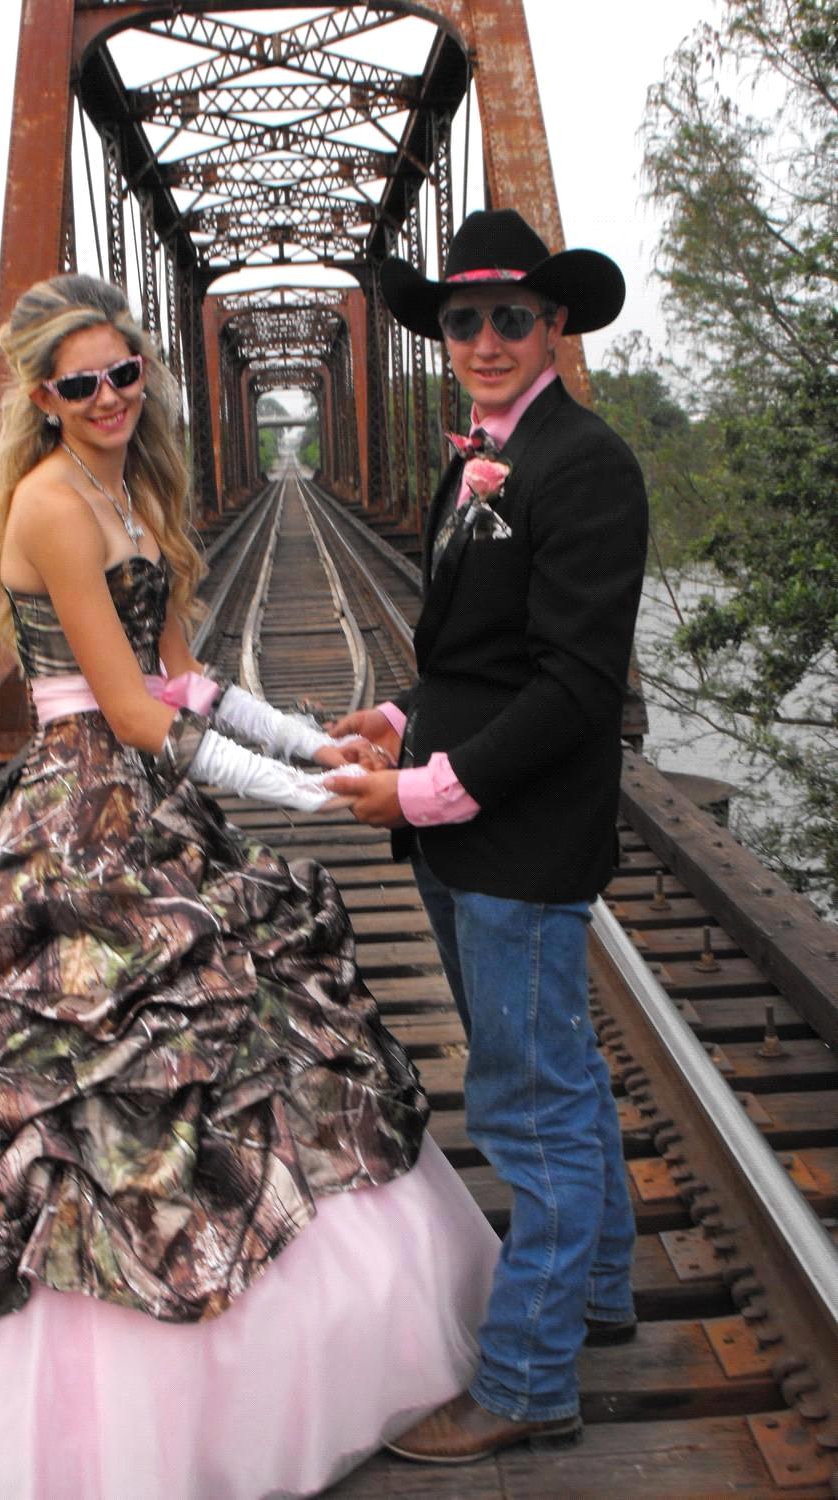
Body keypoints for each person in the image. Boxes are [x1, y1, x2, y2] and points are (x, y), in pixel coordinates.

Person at [0, 272, 500, 1500]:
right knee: (71, 1084)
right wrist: (322, 801)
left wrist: (318, 739)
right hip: (83, 810)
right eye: (77, 382)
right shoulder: (51, 504)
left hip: (146, 794)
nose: (105, 397)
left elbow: (188, 679)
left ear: (145, 375)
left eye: (123, 375)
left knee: (232, 1056)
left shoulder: (133, 485)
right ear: (41, 397)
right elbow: (138, 717)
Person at [325, 209, 648, 1464]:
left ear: (555, 323)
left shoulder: (587, 466)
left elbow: (574, 690)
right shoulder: (481, 460)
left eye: (513, 315)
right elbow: (483, 655)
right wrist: (403, 719)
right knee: (559, 1088)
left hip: (518, 845)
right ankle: (601, 1294)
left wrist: (415, 793)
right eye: (464, 319)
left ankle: (525, 1381)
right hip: (473, 839)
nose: (487, 338)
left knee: (526, 1110)